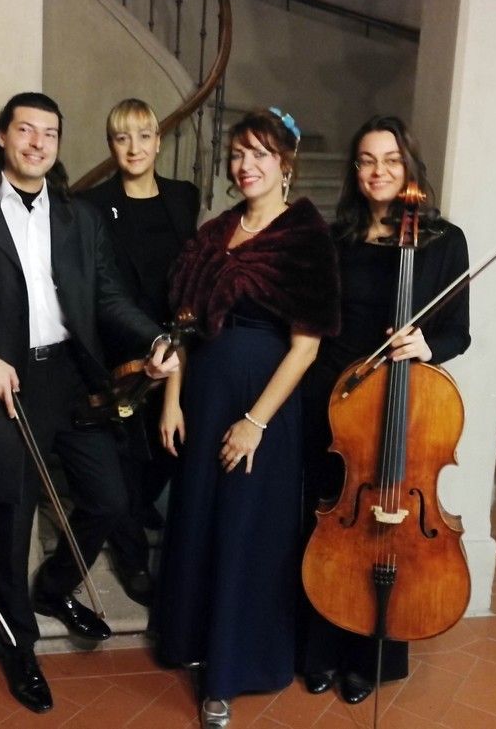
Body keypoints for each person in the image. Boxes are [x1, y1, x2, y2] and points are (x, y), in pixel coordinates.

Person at [0, 92, 178, 714]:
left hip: (70, 378)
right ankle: (17, 647)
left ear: (58, 144)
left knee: (109, 498)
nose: (36, 142)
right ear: (2, 136)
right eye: (24, 130)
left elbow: (109, 297)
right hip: (9, 380)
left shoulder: (81, 218)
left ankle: (53, 589)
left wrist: (154, 336)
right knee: (13, 519)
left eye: (49, 133)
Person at [154, 108, 340, 729]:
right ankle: (192, 642)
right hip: (202, 399)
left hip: (262, 408)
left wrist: (255, 421)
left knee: (244, 532)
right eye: (238, 154)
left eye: (259, 153)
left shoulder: (306, 237)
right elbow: (181, 326)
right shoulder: (213, 233)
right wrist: (173, 398)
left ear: (285, 163)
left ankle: (229, 675)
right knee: (201, 519)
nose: (246, 165)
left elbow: (307, 347)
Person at [299, 115, 471, 704]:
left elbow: (458, 333)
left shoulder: (444, 241)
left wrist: (426, 345)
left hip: (400, 406)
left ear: (409, 167)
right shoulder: (336, 236)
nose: (379, 171)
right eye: (368, 160)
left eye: (391, 160)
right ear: (355, 170)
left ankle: (372, 655)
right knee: (328, 526)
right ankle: (319, 647)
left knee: (390, 531)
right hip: (337, 401)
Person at [78, 98, 200, 606]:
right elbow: (100, 288)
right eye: (122, 137)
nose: (134, 147)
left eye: (143, 136)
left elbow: (193, 269)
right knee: (126, 452)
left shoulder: (183, 197)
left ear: (158, 141)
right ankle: (131, 557)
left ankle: (141, 503)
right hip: (121, 344)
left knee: (172, 447)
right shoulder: (90, 205)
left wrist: (177, 337)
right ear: (111, 145)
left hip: (179, 340)